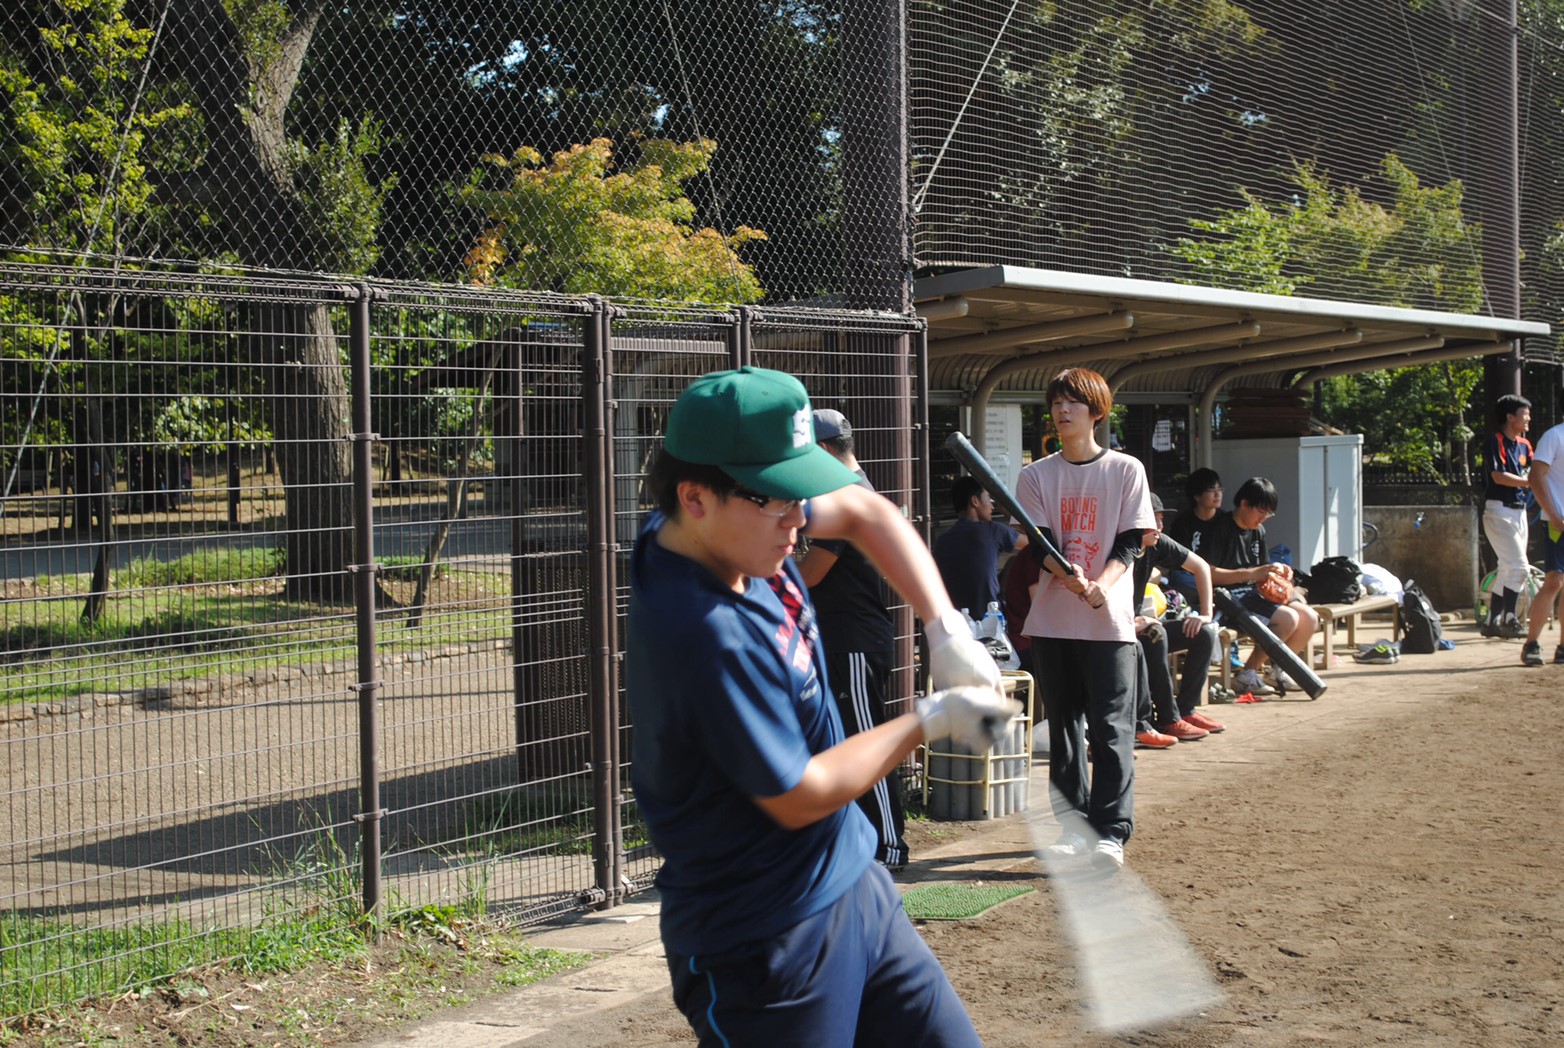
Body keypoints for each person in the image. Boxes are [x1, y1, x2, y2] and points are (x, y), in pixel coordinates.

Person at [627, 366, 1018, 1045]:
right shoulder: (701, 629)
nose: (801, 520)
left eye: (801, 495)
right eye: (780, 500)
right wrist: (929, 719)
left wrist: (944, 627)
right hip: (762, 941)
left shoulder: (733, 525)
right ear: (694, 497)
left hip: (853, 884)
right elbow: (801, 793)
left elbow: (867, 511)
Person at [1015, 367, 1154, 871]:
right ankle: (1073, 827)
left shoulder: (1125, 470)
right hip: (1052, 621)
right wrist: (1065, 572)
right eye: (1056, 401)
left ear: (1097, 410)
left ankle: (1111, 831)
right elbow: (1038, 542)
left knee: (1111, 728)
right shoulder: (1035, 475)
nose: (1062, 409)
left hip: (1108, 622)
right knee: (1064, 729)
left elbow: (1132, 540)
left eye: (1073, 401)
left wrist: (1103, 582)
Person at [798, 408, 908, 871]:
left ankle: (889, 846)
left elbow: (815, 571)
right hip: (841, 639)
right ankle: (861, 842)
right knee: (843, 744)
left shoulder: (845, 494)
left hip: (855, 641)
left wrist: (766, 582)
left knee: (866, 743)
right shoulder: (849, 489)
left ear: (823, 450)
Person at [1200, 477, 1320, 696]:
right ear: (1244, 504)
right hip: (1227, 597)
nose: (1264, 518)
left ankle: (1280, 669)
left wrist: (1281, 573)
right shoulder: (1220, 527)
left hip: (1254, 595)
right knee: (1288, 619)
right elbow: (1208, 573)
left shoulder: (1258, 531)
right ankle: (1248, 674)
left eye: (1268, 514)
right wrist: (1254, 573)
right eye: (1261, 512)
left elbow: (1262, 569)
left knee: (1310, 618)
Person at [1131, 494, 1225, 742]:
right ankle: (1166, 719)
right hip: (1115, 629)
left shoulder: (1157, 542)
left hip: (1139, 624)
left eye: (1161, 519)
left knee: (1204, 633)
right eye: (1154, 520)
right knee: (1154, 633)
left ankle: (1185, 710)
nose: (1160, 527)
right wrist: (1132, 622)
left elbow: (1201, 567)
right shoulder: (1119, 547)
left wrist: (1205, 614)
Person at [932, 475, 1028, 624]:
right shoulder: (992, 531)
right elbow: (1031, 543)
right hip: (988, 619)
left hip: (951, 621)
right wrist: (1008, 510)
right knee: (1014, 561)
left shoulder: (942, 541)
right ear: (975, 501)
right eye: (988, 499)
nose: (992, 506)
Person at [1480, 394, 1533, 639]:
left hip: (1519, 511)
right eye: (1524, 413)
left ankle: (1493, 620)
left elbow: (1534, 471)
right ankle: (1511, 620)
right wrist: (1529, 482)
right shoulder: (1495, 441)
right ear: (1510, 416)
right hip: (1499, 510)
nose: (1528, 418)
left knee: (1507, 568)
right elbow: (1498, 476)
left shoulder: (1525, 445)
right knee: (1519, 567)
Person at [1520, 412, 1564, 666]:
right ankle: (1531, 644)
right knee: (1554, 581)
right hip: (1557, 523)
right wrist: (1554, 514)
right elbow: (1535, 477)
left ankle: (1562, 647)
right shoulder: (1554, 436)